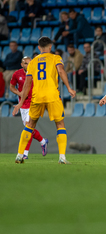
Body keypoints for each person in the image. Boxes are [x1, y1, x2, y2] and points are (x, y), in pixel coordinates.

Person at [12, 36, 76, 164]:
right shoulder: (55, 58)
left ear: (39, 47)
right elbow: (61, 70)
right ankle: (62, 158)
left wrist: (20, 102)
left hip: (37, 97)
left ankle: (19, 155)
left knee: (29, 125)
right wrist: (69, 87)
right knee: (60, 125)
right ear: (51, 47)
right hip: (52, 95)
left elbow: (27, 84)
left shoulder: (33, 62)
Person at [10, 57, 48, 160]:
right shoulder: (17, 74)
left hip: (35, 103)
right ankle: (43, 141)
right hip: (23, 105)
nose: (28, 65)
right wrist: (19, 93)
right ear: (22, 65)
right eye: (26, 63)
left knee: (28, 127)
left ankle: (25, 154)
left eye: (30, 63)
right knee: (29, 128)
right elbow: (11, 87)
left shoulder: (37, 73)